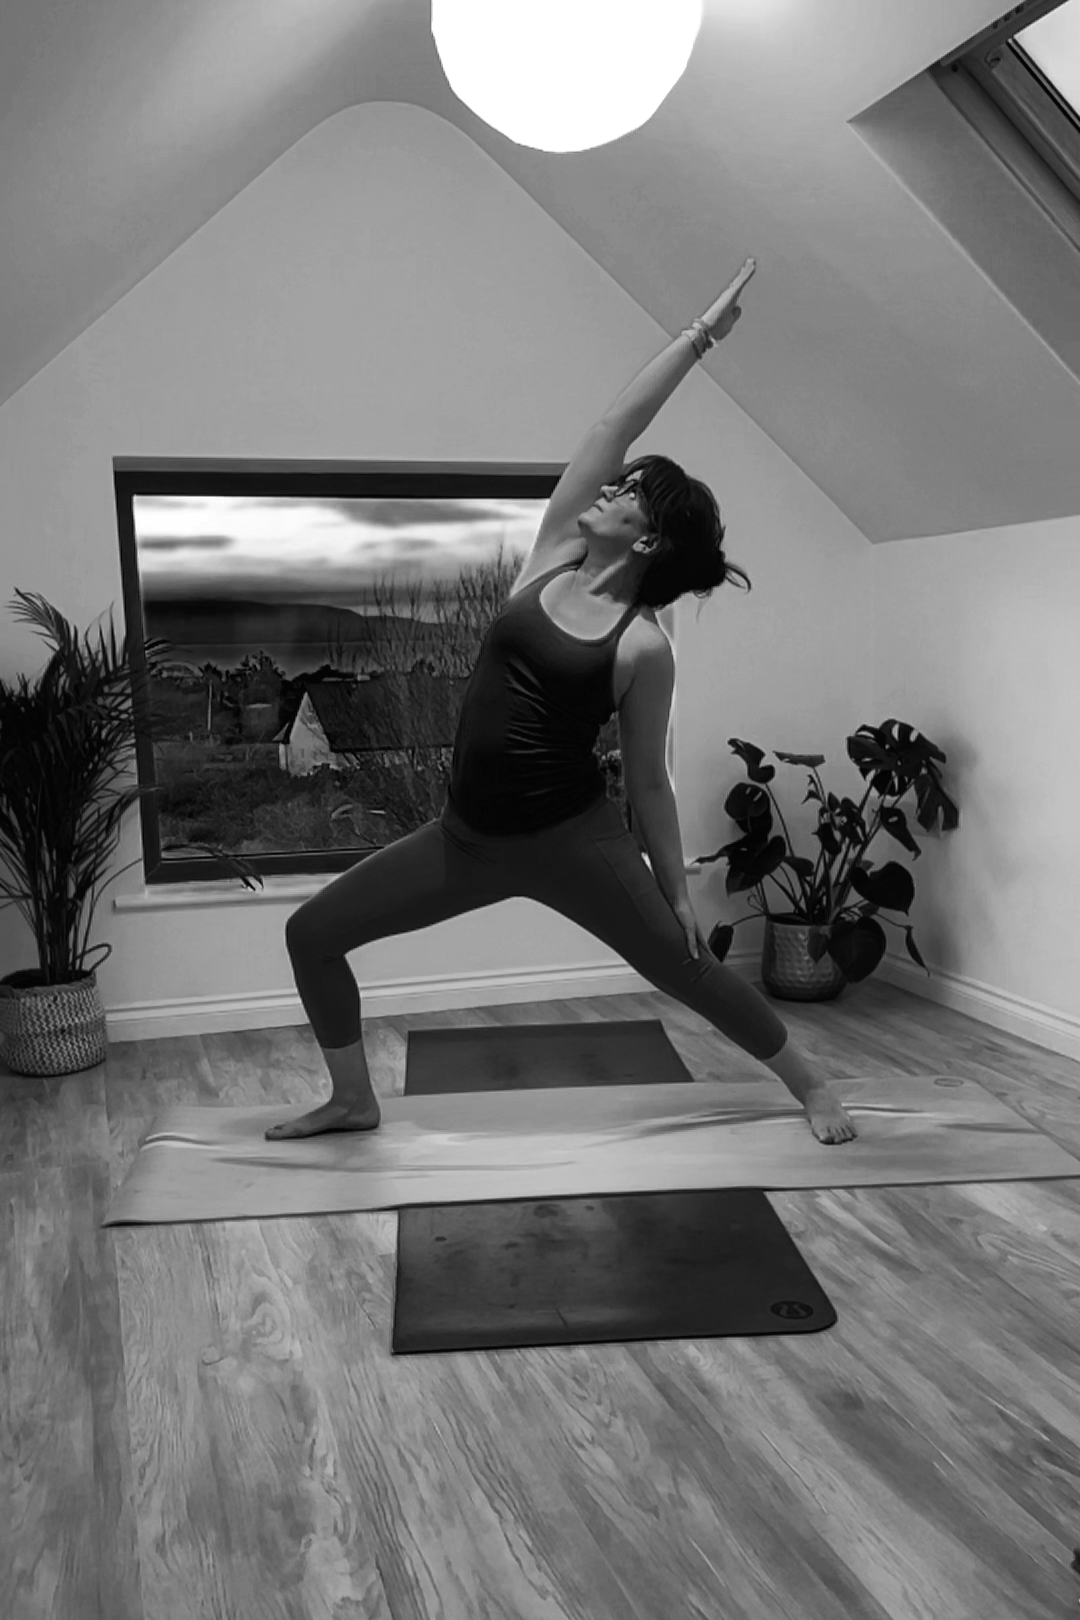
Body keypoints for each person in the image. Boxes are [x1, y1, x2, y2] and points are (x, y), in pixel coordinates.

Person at [267, 258, 857, 1146]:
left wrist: (675, 889)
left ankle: (813, 1086)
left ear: (648, 536)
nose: (608, 488)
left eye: (626, 494)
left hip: (574, 843)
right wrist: (698, 339)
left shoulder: (643, 644)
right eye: (616, 483)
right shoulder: (550, 557)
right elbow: (613, 426)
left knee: (686, 966)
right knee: (312, 933)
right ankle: (354, 1098)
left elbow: (649, 782)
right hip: (465, 838)